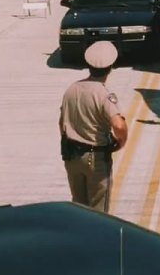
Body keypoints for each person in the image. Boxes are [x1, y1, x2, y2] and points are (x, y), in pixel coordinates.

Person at [58, 41, 129, 212]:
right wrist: (121, 141)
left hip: (72, 156)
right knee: (99, 213)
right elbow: (119, 125)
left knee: (79, 209)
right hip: (95, 160)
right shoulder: (104, 95)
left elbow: (61, 123)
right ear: (111, 67)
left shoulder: (72, 89)